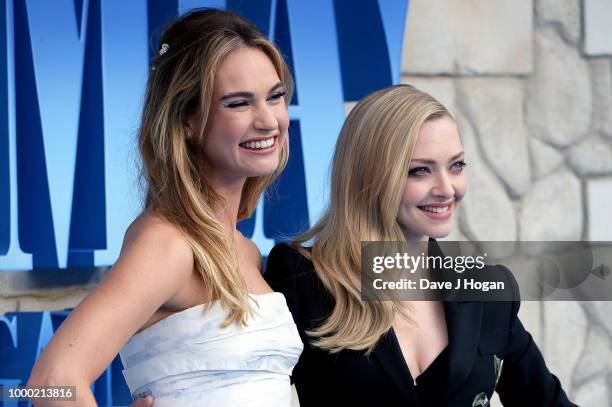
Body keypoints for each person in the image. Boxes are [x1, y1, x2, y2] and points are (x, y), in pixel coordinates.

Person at [27, 8, 302, 406]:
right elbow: (50, 382)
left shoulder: (244, 250)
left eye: (275, 97)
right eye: (239, 103)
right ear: (187, 121)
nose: (268, 120)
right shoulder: (169, 243)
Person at [265, 84, 576, 406]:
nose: (446, 189)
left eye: (456, 166)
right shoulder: (300, 278)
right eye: (419, 171)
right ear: (370, 176)